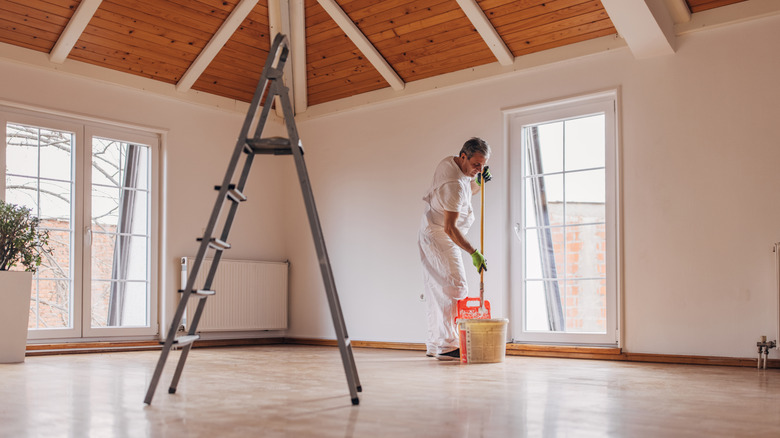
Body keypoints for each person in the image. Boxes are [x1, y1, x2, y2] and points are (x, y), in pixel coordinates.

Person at [418, 137, 491, 361]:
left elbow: (468, 190)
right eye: (476, 165)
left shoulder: (452, 165)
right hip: (440, 234)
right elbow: (450, 228)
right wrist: (473, 252)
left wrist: (479, 182)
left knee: (437, 289)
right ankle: (448, 346)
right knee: (455, 287)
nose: (480, 169)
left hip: (434, 228)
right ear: (463, 157)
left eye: (484, 165)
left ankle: (436, 343)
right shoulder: (452, 185)